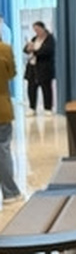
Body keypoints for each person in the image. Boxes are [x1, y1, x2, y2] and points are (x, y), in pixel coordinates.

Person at [0, 36, 23, 204]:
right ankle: (10, 193)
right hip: (2, 108)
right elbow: (12, 73)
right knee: (3, 150)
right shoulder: (5, 49)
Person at [23, 21, 55, 116]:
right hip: (32, 68)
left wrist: (35, 50)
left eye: (37, 29)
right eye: (35, 30)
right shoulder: (34, 38)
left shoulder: (50, 39)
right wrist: (28, 48)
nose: (36, 31)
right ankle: (32, 107)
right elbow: (26, 50)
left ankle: (48, 108)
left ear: (43, 28)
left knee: (46, 88)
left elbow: (48, 51)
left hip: (44, 68)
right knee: (31, 88)